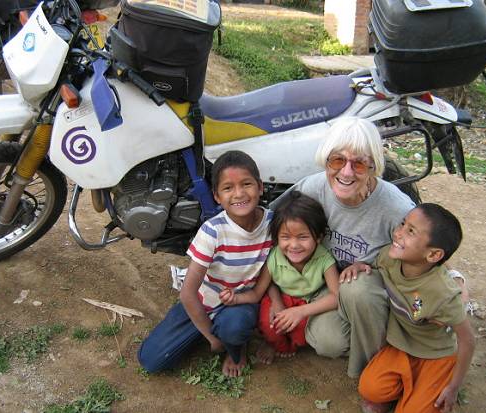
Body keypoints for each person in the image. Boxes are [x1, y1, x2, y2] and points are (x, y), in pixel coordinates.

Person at [273, 116, 467, 378]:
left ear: (374, 166)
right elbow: (272, 219)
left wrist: (456, 280)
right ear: (326, 160)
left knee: (358, 288)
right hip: (329, 286)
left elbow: (428, 252)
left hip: (373, 290)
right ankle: (380, 333)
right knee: (327, 342)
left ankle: (372, 370)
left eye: (360, 164)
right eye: (337, 160)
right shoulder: (314, 187)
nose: (346, 172)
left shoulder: (394, 207)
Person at [137, 150, 273, 377]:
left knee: (234, 327)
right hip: (204, 302)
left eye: (246, 184)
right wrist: (211, 338)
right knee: (151, 360)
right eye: (228, 188)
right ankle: (214, 332)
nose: (239, 194)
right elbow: (188, 294)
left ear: (260, 187)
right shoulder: (212, 232)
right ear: (217, 196)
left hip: (240, 303)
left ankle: (236, 347)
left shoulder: (272, 223)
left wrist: (229, 344)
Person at [358, 203, 475, 413]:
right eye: (403, 224)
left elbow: (467, 340)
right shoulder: (388, 258)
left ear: (433, 255)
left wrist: (454, 387)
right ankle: (410, 385)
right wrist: (359, 266)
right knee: (370, 389)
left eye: (410, 231)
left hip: (436, 355)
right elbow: (374, 266)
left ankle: (432, 384)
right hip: (402, 345)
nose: (398, 233)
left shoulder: (443, 294)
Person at [252, 191, 340, 364]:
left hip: (306, 303)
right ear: (276, 238)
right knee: (270, 324)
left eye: (303, 237)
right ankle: (272, 343)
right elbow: (265, 284)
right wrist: (276, 303)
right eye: (285, 237)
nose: (294, 245)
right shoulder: (275, 256)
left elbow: (336, 296)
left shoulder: (324, 259)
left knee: (302, 332)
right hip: (279, 297)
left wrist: (299, 312)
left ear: (319, 238)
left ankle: (293, 344)